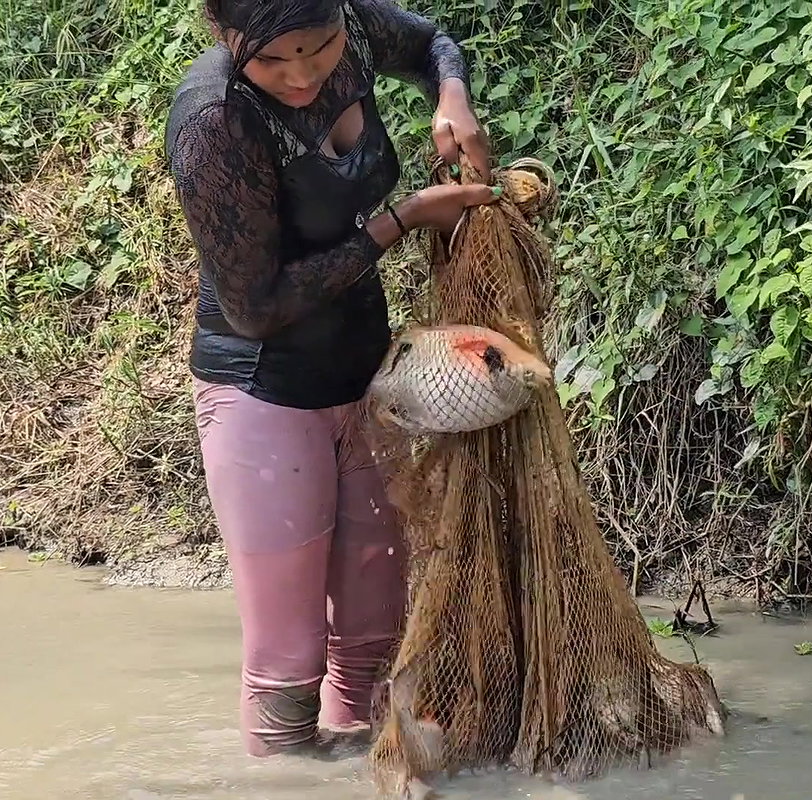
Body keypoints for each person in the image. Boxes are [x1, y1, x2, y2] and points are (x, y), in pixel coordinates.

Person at [165, 0, 497, 758]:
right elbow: (255, 308)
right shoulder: (215, 121)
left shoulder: (355, 31)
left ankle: (362, 768)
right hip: (264, 390)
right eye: (272, 60)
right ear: (225, 38)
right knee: (288, 663)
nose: (302, 75)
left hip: (363, 374)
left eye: (317, 48)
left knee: (375, 639)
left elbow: (432, 43)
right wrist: (400, 221)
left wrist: (452, 96)